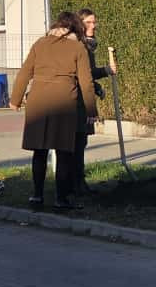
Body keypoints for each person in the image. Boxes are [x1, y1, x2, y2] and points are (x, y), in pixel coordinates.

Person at [10, 12, 97, 212]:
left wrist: (15, 99)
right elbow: (86, 82)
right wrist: (91, 110)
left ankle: (37, 195)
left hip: (38, 100)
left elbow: (25, 72)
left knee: (39, 151)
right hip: (64, 101)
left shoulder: (40, 43)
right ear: (75, 28)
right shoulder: (78, 48)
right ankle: (61, 198)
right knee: (64, 151)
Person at [75, 8, 117, 194]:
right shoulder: (81, 46)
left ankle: (78, 182)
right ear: (80, 25)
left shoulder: (89, 45)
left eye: (94, 22)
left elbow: (89, 72)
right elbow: (81, 74)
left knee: (80, 141)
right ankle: (76, 183)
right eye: (88, 23)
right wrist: (98, 79)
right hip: (78, 100)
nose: (93, 26)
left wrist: (105, 72)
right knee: (77, 141)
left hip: (84, 95)